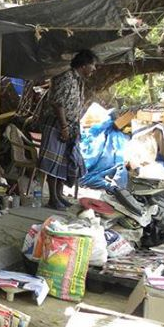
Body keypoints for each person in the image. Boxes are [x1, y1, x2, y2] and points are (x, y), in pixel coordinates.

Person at [37, 49, 97, 209]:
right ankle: (53, 198)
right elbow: (58, 104)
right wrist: (64, 126)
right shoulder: (66, 78)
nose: (94, 69)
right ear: (84, 65)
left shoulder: (77, 80)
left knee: (64, 162)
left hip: (69, 124)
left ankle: (59, 195)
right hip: (57, 123)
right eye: (92, 65)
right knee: (53, 162)